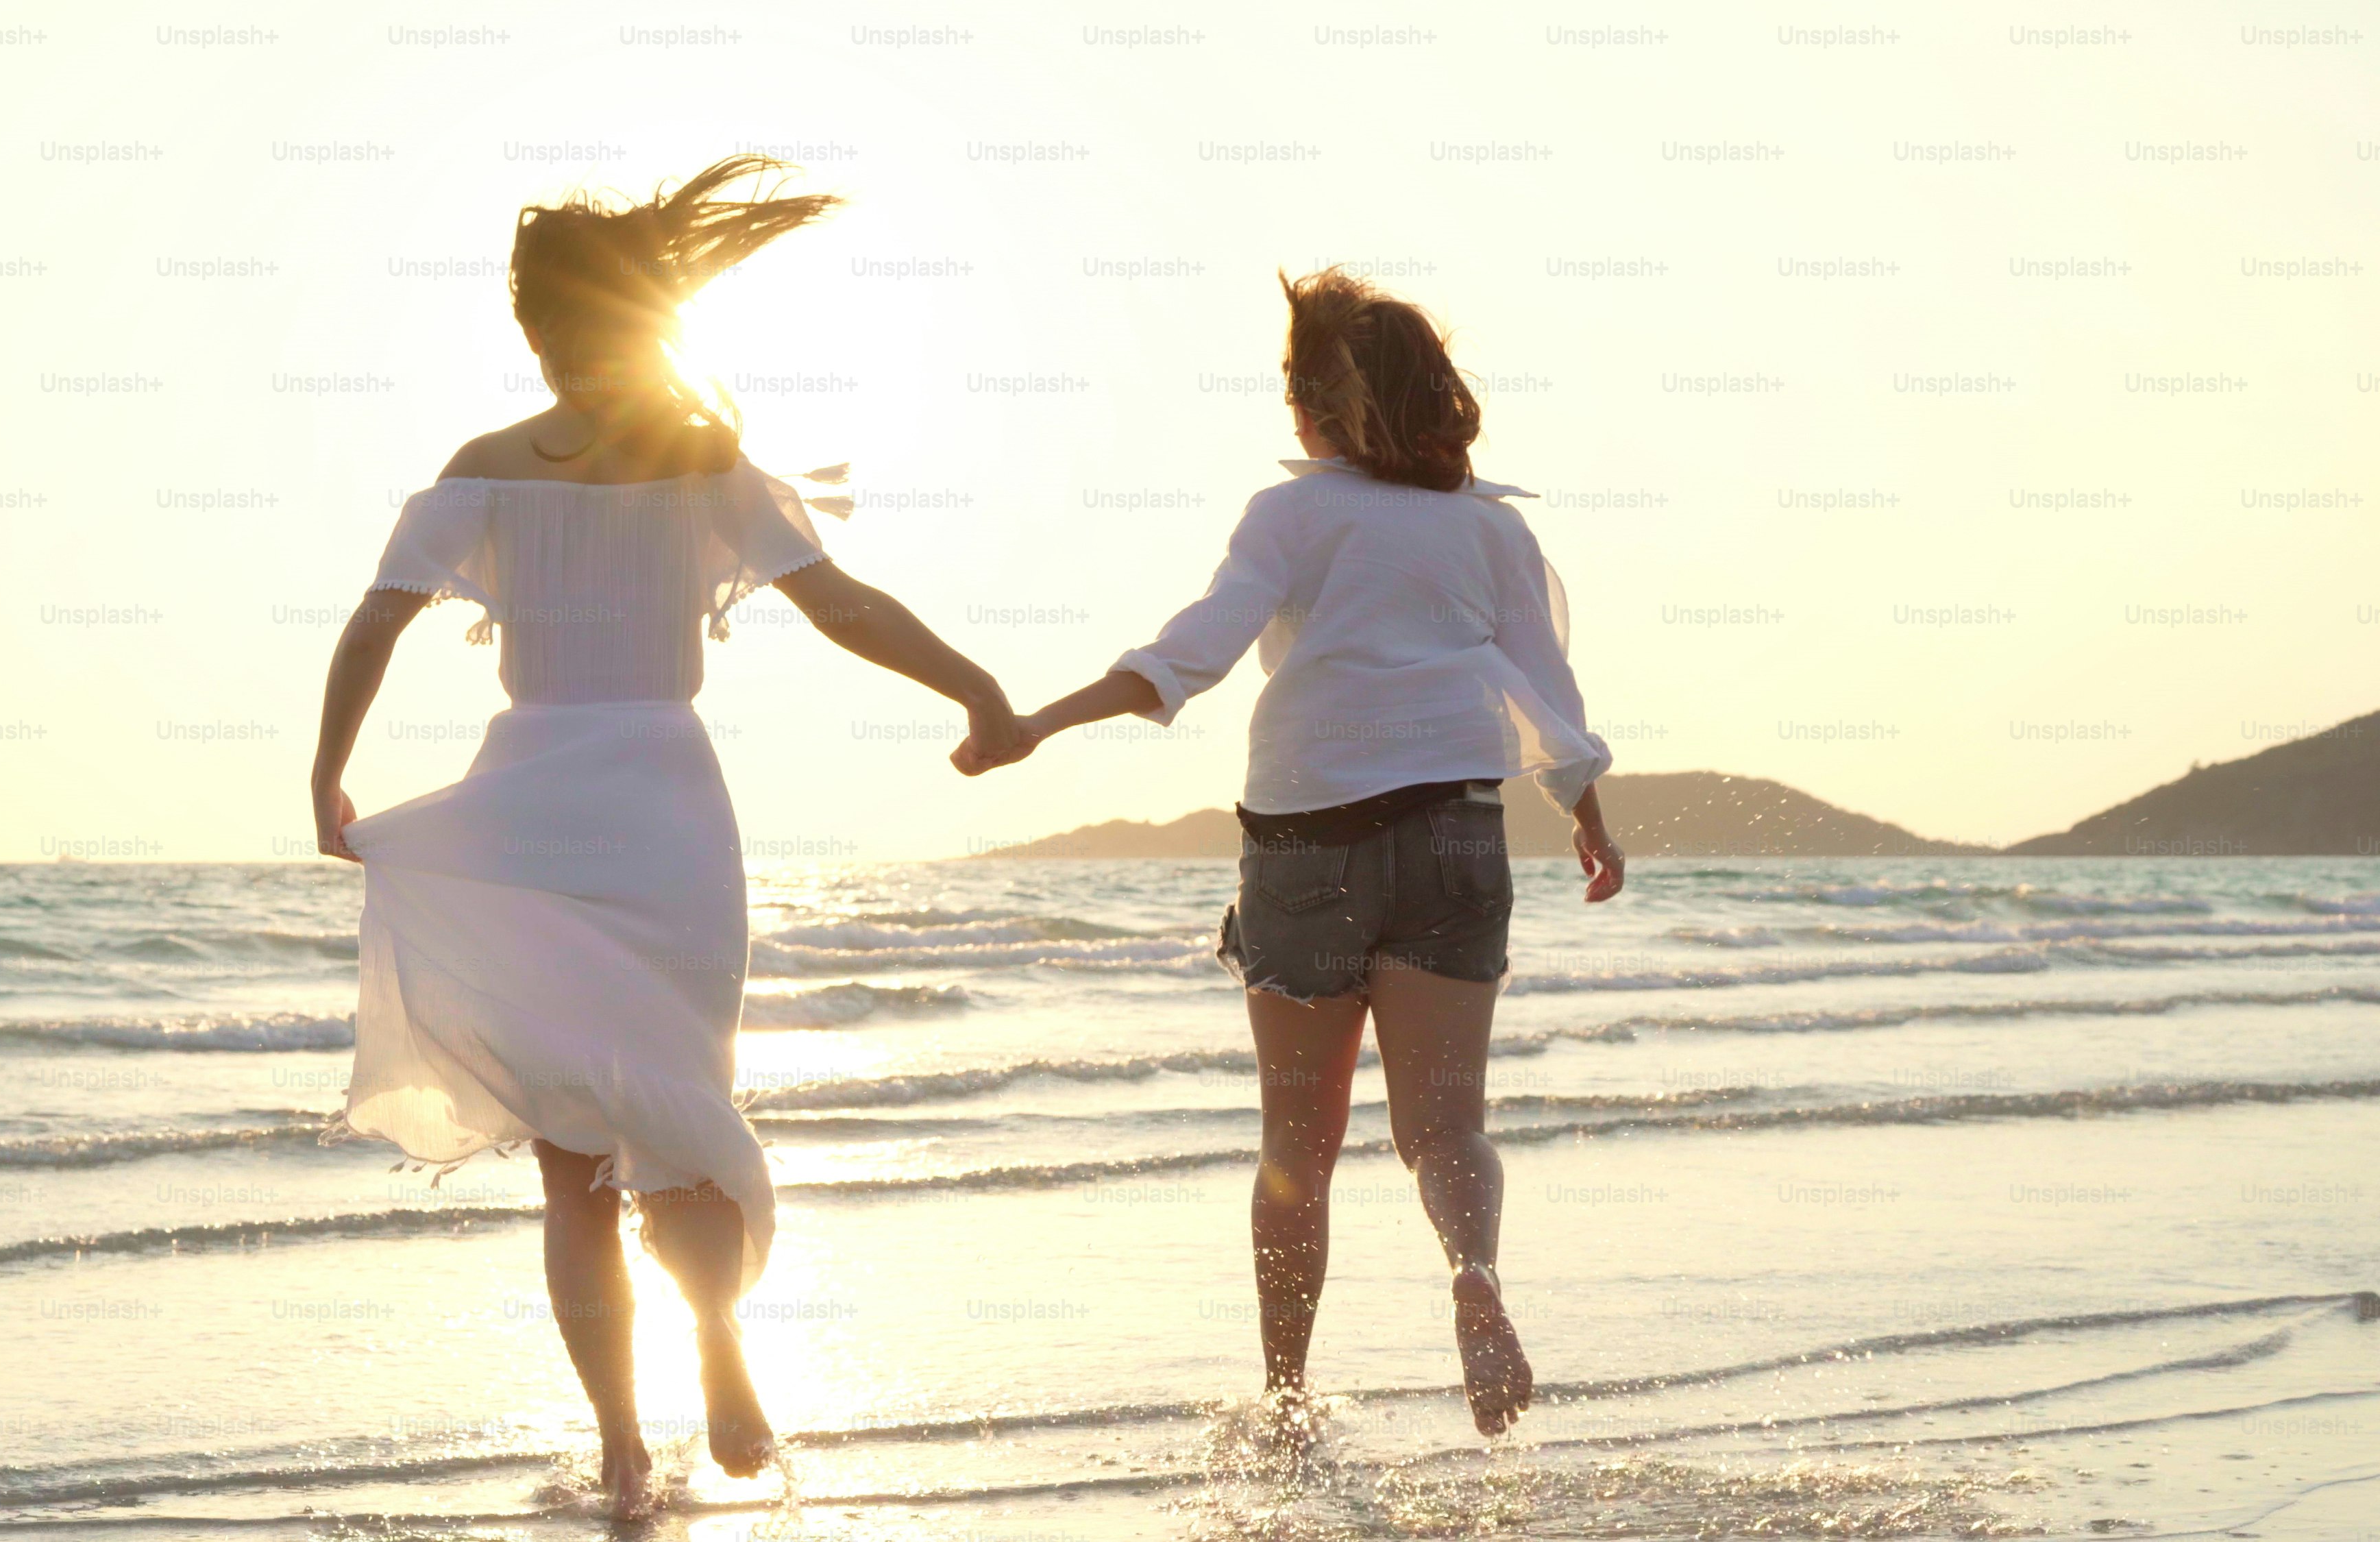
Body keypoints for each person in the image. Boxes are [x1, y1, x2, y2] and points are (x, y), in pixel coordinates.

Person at [308, 156, 1018, 1517]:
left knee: (575, 1169)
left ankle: (625, 1452)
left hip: (528, 809)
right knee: (677, 1122)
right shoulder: (709, 470)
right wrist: (974, 687)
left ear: (531, 328)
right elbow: (848, 608)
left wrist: (329, 779)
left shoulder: (482, 472)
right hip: (671, 820)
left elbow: (372, 623)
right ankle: (715, 1338)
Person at [957, 267, 1623, 1437]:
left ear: (1325, 403)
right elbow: (1546, 688)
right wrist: (1586, 810)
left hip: (1308, 841)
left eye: (1292, 387)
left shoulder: (1293, 514)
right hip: (1459, 833)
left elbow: (1192, 651)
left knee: (1296, 1148)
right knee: (1446, 1126)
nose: (1285, 411)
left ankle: (1285, 1398)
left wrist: (1034, 725)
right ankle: (1473, 1275)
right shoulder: (1494, 529)